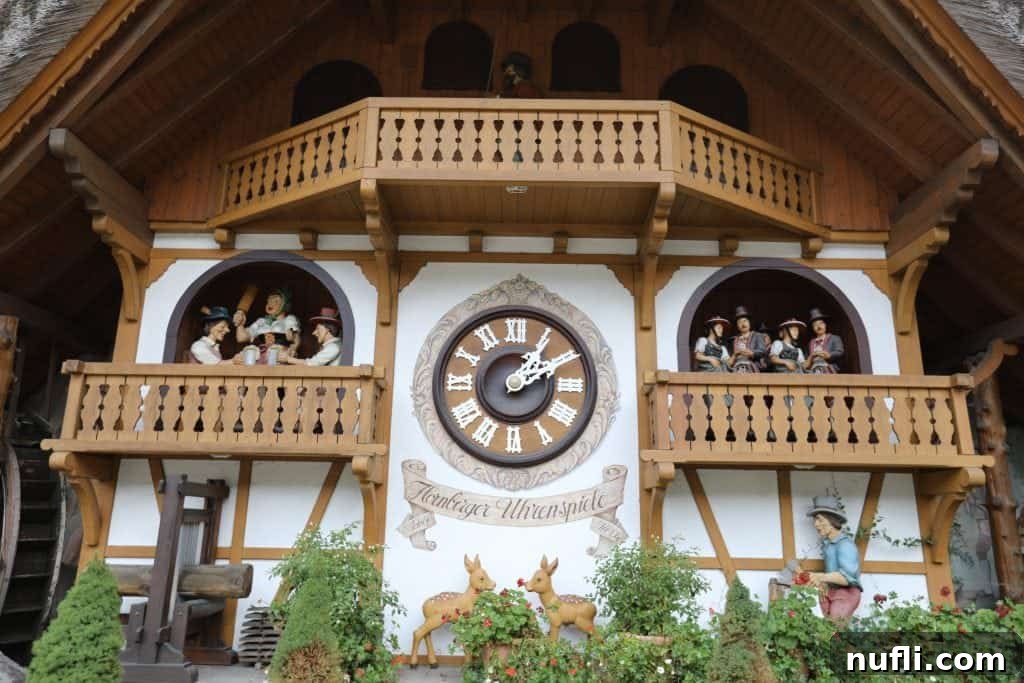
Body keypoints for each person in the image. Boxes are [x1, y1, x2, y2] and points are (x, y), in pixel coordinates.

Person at [806, 495, 862, 622]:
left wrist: (820, 577)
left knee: (834, 629)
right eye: (815, 520)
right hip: (830, 591)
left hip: (846, 594)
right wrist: (822, 583)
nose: (816, 524)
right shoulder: (828, 545)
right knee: (822, 626)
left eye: (820, 520)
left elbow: (847, 578)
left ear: (832, 521)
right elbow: (832, 573)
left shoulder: (845, 545)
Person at [233, 288, 300, 361]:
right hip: (261, 355)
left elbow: (294, 340)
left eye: (276, 301)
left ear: (285, 305)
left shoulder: (289, 320)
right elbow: (241, 338)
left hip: (280, 354)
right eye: (269, 300)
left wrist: (293, 348)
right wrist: (240, 324)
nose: (270, 303)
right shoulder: (261, 322)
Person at [805, 308, 844, 374]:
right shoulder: (810, 343)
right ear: (812, 328)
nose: (819, 326)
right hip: (813, 372)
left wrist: (829, 355)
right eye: (815, 325)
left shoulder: (834, 338)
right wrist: (811, 357)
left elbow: (840, 352)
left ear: (825, 325)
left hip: (829, 370)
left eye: (821, 323)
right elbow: (806, 360)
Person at [728, 305, 765, 373]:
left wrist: (751, 353)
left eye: (745, 321)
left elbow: (762, 351)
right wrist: (735, 354)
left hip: (752, 367)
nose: (743, 324)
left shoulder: (757, 336)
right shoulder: (733, 340)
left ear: (749, 322)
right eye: (740, 322)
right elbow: (729, 360)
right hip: (737, 368)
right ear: (737, 326)